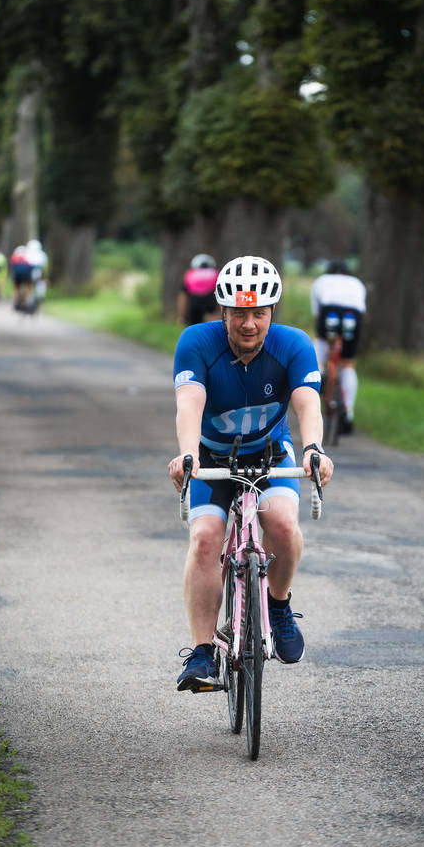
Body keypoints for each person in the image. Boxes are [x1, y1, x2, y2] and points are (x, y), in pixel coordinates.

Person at [168, 255, 334, 692]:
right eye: (239, 312)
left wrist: (314, 447)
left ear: (271, 312)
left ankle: (277, 605)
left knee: (281, 523)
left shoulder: (294, 344)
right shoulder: (196, 342)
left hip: (269, 454)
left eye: (259, 312)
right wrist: (187, 456)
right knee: (205, 538)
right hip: (211, 457)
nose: (248, 323)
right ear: (222, 310)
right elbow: (189, 404)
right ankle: (203, 651)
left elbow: (307, 404)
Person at [310, 259, 367, 434]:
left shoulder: (321, 281)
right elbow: (362, 311)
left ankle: (319, 372)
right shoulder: (357, 283)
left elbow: (316, 315)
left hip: (329, 311)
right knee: (348, 363)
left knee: (320, 342)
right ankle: (348, 410)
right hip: (353, 315)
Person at [176, 254, 220, 325]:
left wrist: (182, 316)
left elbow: (183, 297)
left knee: (193, 328)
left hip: (194, 303)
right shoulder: (216, 273)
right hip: (211, 301)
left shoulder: (190, 274)